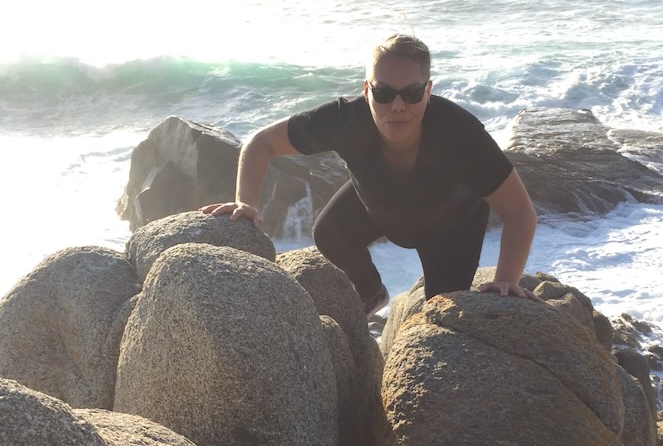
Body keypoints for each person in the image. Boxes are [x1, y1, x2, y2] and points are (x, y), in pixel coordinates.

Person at [201, 34, 539, 313]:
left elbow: (520, 212)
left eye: (411, 93)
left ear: (428, 91)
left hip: (450, 228)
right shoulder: (346, 120)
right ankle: (372, 293)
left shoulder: (460, 132)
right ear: (367, 91)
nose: (397, 106)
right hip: (379, 204)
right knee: (329, 235)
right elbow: (261, 142)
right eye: (384, 93)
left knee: (441, 313)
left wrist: (508, 278)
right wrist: (246, 203)